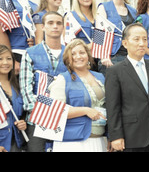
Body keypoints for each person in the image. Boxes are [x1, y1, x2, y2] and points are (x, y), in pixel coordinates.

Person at [105, 23, 149, 152]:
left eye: (145, 39)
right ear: (125, 43)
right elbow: (113, 107)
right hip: (131, 136)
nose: (141, 43)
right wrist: (116, 136)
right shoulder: (115, 71)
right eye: (136, 39)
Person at [19, 11, 68, 152]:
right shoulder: (30, 52)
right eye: (50, 23)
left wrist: (61, 111)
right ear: (43, 27)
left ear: (63, 27)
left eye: (59, 23)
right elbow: (25, 87)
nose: (55, 26)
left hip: (64, 117)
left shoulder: (70, 52)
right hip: (36, 117)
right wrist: (43, 111)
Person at [48, 39, 107, 152]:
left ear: (88, 56)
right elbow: (54, 111)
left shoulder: (100, 77)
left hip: (99, 140)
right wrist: (85, 110)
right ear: (67, 59)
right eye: (73, 54)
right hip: (73, 142)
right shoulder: (62, 79)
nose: (78, 56)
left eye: (82, 52)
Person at [0, 0, 38, 73]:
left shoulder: (34, 5)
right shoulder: (4, 2)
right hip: (15, 53)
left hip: (33, 54)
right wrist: (9, 58)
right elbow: (1, 32)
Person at [97, 0, 137, 74]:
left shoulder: (133, 11)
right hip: (111, 57)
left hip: (130, 57)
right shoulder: (103, 7)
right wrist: (103, 56)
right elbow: (99, 34)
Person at [0, 45, 27, 152]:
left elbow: (21, 113)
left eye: (9, 58)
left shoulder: (18, 86)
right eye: (0, 59)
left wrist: (23, 123)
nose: (5, 62)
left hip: (16, 142)